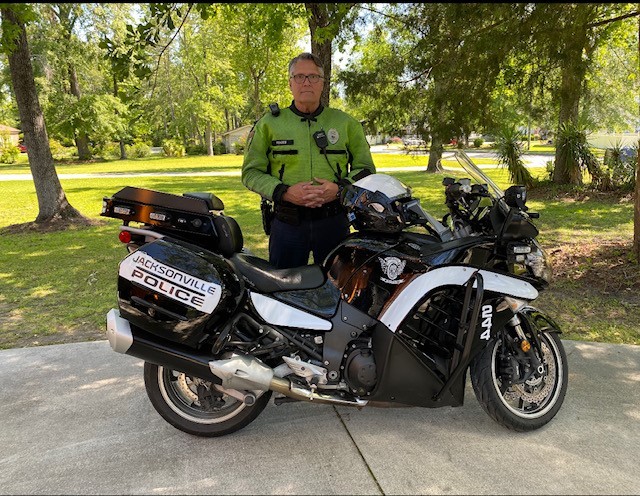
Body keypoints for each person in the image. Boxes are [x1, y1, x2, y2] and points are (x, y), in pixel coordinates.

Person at [242, 52, 376, 269]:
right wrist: (284, 192)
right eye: (299, 77)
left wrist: (340, 189)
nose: (306, 82)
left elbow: (366, 168)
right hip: (287, 225)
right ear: (290, 83)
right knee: (283, 286)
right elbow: (251, 173)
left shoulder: (346, 123)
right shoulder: (268, 125)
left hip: (334, 223)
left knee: (338, 285)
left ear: (322, 83)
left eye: (313, 77)